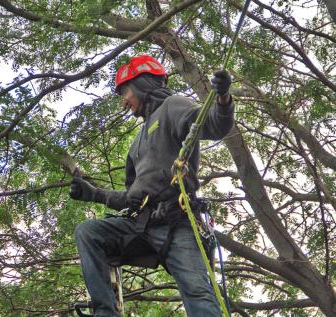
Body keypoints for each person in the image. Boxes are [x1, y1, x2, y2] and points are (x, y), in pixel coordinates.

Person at [70, 54, 234, 317]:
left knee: (198, 292)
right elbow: (131, 199)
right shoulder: (136, 144)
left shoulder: (172, 107)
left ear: (143, 83)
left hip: (177, 223)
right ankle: (105, 313)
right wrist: (95, 194)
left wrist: (223, 98)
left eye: (126, 91)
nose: (124, 100)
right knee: (88, 232)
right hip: (142, 227)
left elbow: (214, 125)